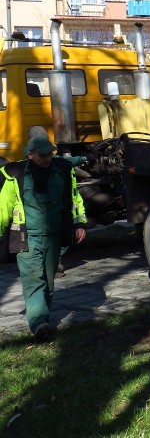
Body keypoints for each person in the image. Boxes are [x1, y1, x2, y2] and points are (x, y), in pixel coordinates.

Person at [0, 136, 87, 341]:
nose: (48, 158)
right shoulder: (15, 175)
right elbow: (4, 208)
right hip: (26, 236)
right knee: (33, 279)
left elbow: (75, 199)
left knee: (48, 280)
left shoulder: (63, 170)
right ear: (30, 155)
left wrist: (80, 223)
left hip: (54, 236)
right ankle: (39, 323)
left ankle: (42, 316)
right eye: (42, 155)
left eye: (50, 154)